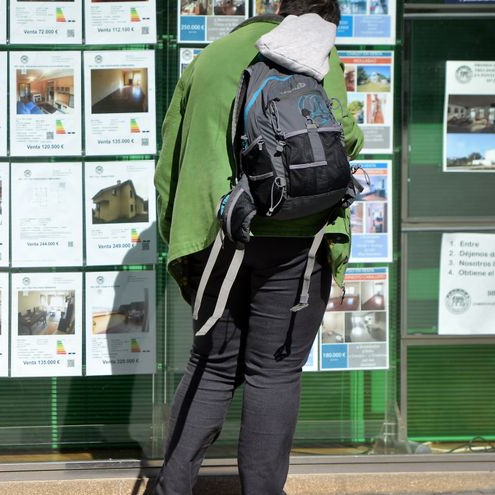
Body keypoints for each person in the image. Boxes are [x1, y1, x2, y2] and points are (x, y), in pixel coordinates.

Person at [152, 1, 364, 493]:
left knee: (210, 363)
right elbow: (343, 139)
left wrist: (182, 238)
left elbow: (170, 159)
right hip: (296, 239)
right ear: (323, 18)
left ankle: (171, 489)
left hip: (216, 233)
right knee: (274, 373)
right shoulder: (317, 50)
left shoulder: (210, 57)